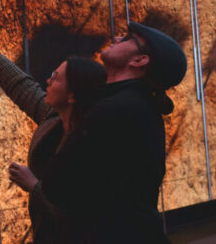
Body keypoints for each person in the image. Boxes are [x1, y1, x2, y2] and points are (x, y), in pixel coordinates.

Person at [0, 13, 105, 243]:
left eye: (56, 78)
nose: (48, 80)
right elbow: (22, 87)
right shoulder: (55, 119)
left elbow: (82, 215)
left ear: (73, 95)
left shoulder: (91, 146)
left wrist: (34, 186)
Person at [38, 22, 188, 244]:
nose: (117, 38)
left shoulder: (114, 110)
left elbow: (56, 184)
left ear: (139, 61)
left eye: (127, 39)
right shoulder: (134, 105)